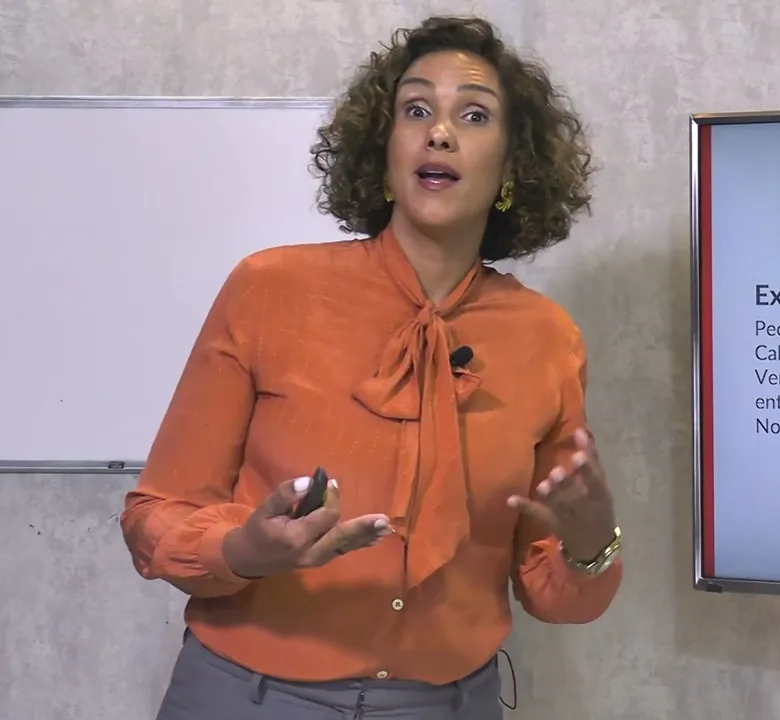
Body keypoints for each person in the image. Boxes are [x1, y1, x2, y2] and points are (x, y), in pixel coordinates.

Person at [120, 15, 623, 720]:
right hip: (246, 697)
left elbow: (554, 595)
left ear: (513, 168)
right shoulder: (269, 289)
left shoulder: (547, 338)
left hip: (448, 704)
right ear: (382, 152)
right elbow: (155, 516)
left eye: (473, 115)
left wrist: (593, 540)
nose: (438, 132)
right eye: (415, 110)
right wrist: (243, 550)